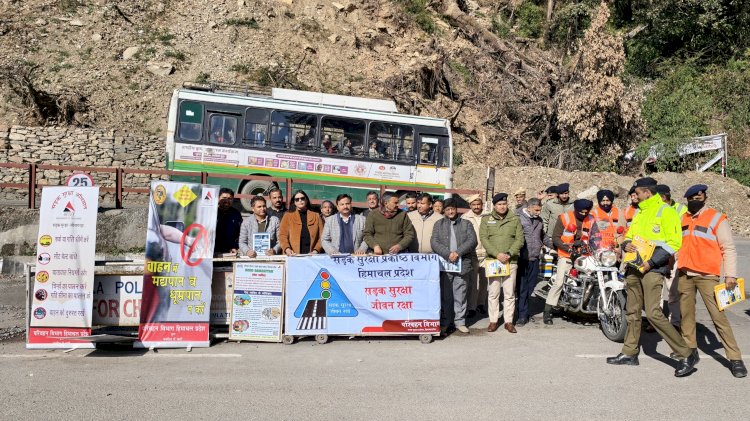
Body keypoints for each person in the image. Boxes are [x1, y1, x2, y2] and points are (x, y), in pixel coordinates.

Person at [606, 178, 696, 378]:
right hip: (633, 268)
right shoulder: (640, 212)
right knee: (632, 311)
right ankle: (630, 353)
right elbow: (631, 235)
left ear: (647, 192)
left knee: (654, 313)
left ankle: (686, 353)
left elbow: (674, 243)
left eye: (637, 192)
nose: (634, 196)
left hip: (653, 270)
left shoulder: (667, 212)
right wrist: (625, 244)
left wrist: (651, 263)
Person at [676, 184, 746, 378]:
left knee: (719, 318)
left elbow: (728, 248)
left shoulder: (716, 218)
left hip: (708, 276)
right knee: (686, 317)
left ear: (705, 198)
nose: (695, 200)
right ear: (687, 199)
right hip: (684, 274)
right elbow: (679, 245)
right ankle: (690, 352)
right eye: (692, 198)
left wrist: (730, 274)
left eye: (699, 197)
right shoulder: (682, 218)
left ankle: (735, 358)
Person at [543, 198, 595, 325]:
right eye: (581, 212)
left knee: (592, 278)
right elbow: (555, 238)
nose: (583, 215)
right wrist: (568, 249)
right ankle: (547, 310)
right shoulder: (564, 218)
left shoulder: (592, 219)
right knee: (559, 282)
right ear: (576, 210)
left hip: (584, 255)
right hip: (566, 254)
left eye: (586, 212)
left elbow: (596, 235)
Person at [431, 199, 478, 335]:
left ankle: (460, 322)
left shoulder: (466, 223)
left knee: (461, 294)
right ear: (444, 211)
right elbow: (434, 242)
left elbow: (472, 240)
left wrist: (458, 253)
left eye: (452, 209)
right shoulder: (438, 224)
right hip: (445, 265)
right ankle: (446, 321)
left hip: (461, 264)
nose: (450, 212)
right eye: (447, 210)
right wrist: (447, 254)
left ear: (456, 209)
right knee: (446, 295)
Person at [480, 193, 524, 334]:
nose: (502, 206)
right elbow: (484, 238)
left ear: (507, 204)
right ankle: (493, 321)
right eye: (499, 204)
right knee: (493, 292)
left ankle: (508, 321)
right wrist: (497, 254)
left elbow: (520, 239)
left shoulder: (515, 219)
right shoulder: (486, 219)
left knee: (509, 293)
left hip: (510, 261)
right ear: (494, 205)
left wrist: (509, 253)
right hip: (493, 261)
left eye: (504, 204)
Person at [517, 198, 552, 326]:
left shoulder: (539, 220)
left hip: (535, 258)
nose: (538, 212)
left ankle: (525, 312)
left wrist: (556, 247)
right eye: (536, 210)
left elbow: (543, 237)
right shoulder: (518, 218)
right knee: (522, 288)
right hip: (522, 258)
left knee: (530, 287)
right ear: (530, 207)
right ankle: (521, 315)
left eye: (540, 210)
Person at [655, 184, 686, 329]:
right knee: (656, 291)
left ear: (662, 197)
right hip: (656, 256)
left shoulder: (681, 210)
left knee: (673, 291)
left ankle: (674, 322)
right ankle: (657, 321)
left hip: (674, 255)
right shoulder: (654, 209)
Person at [461, 194, 488, 317]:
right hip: (472, 253)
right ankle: (471, 306)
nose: (476, 207)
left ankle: (481, 304)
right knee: (472, 282)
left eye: (478, 204)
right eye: (474, 205)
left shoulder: (488, 215)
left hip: (487, 253)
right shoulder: (465, 218)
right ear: (470, 205)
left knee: (484, 281)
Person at [279, 190, 323, 255]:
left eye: (302, 198)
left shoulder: (316, 216)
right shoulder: (287, 216)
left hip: (312, 256)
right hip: (293, 255)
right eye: (297, 199)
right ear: (294, 202)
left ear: (306, 200)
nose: (300, 201)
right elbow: (282, 235)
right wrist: (287, 249)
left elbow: (322, 237)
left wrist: (316, 250)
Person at [214, 188, 243, 255]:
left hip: (230, 250)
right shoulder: (212, 212)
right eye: (224, 198)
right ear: (218, 198)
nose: (226, 200)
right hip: (213, 249)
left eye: (230, 198)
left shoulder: (236, 214)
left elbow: (241, 233)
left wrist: (235, 246)